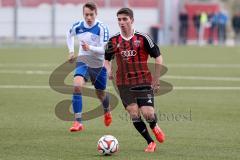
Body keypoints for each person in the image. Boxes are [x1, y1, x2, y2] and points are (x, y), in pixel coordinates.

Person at [104, 8, 165, 153]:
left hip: (143, 80)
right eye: (119, 19)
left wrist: (156, 78)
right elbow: (106, 59)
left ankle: (154, 126)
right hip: (123, 83)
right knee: (133, 112)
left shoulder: (143, 38)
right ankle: (150, 142)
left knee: (148, 113)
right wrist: (108, 70)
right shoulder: (113, 41)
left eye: (125, 19)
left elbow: (158, 56)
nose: (122, 22)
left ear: (132, 20)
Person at [66, 1, 112, 132]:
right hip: (84, 60)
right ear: (83, 14)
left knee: (101, 94)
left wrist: (89, 47)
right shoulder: (78, 26)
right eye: (86, 15)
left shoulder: (102, 28)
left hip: (98, 64)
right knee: (77, 86)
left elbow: (105, 50)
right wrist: (70, 51)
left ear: (96, 14)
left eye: (91, 15)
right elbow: (68, 35)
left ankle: (107, 111)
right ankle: (77, 122)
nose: (89, 18)